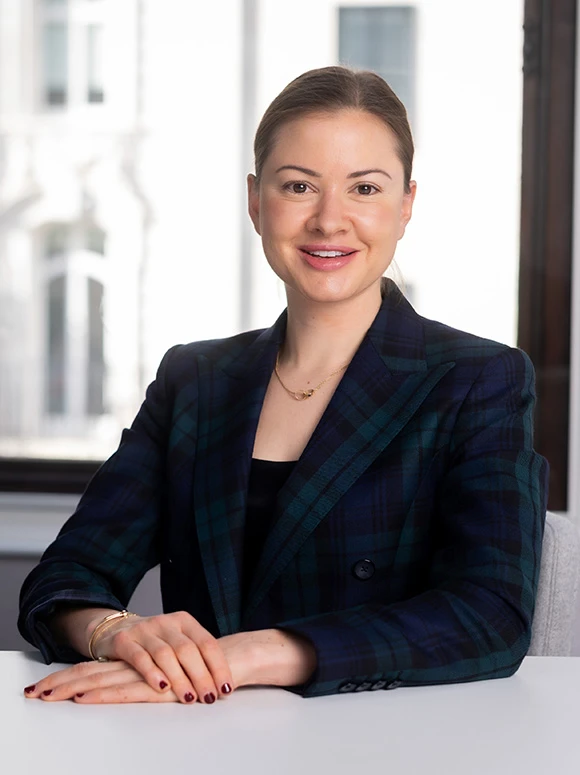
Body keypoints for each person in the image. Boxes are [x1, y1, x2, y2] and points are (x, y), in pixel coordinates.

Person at [19, 66, 548, 705]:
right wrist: (117, 633)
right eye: (299, 185)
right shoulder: (195, 379)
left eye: (364, 188)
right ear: (255, 201)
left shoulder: (477, 379)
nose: (330, 220)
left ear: (406, 205)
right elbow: (66, 576)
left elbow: (489, 615)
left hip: (384, 744)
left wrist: (248, 654)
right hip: (193, 736)